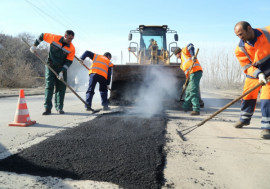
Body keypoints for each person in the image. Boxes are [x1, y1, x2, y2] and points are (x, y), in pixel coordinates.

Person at [234, 21, 270, 139]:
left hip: (269, 71)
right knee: (248, 96)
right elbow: (247, 66)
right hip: (254, 73)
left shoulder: (267, 32)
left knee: (266, 99)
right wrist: (258, 74)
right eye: (238, 35)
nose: (240, 37)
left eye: (241, 34)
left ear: (249, 28)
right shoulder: (240, 48)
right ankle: (244, 119)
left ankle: (266, 127)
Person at [30, 30, 75, 115]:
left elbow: (68, 62)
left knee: (61, 88)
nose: (70, 40)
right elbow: (42, 35)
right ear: (65, 35)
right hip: (50, 66)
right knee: (49, 86)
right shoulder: (54, 38)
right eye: (69, 38)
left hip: (61, 68)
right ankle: (47, 108)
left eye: (72, 39)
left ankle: (59, 108)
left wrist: (62, 72)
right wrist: (35, 46)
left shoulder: (71, 48)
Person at [174, 43, 203, 115]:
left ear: (178, 53)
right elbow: (187, 75)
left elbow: (190, 45)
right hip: (191, 75)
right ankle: (185, 107)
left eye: (176, 56)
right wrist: (185, 84)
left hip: (196, 72)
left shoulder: (184, 51)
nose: (177, 57)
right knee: (187, 91)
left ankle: (196, 109)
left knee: (193, 90)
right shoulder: (182, 64)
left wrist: (193, 56)